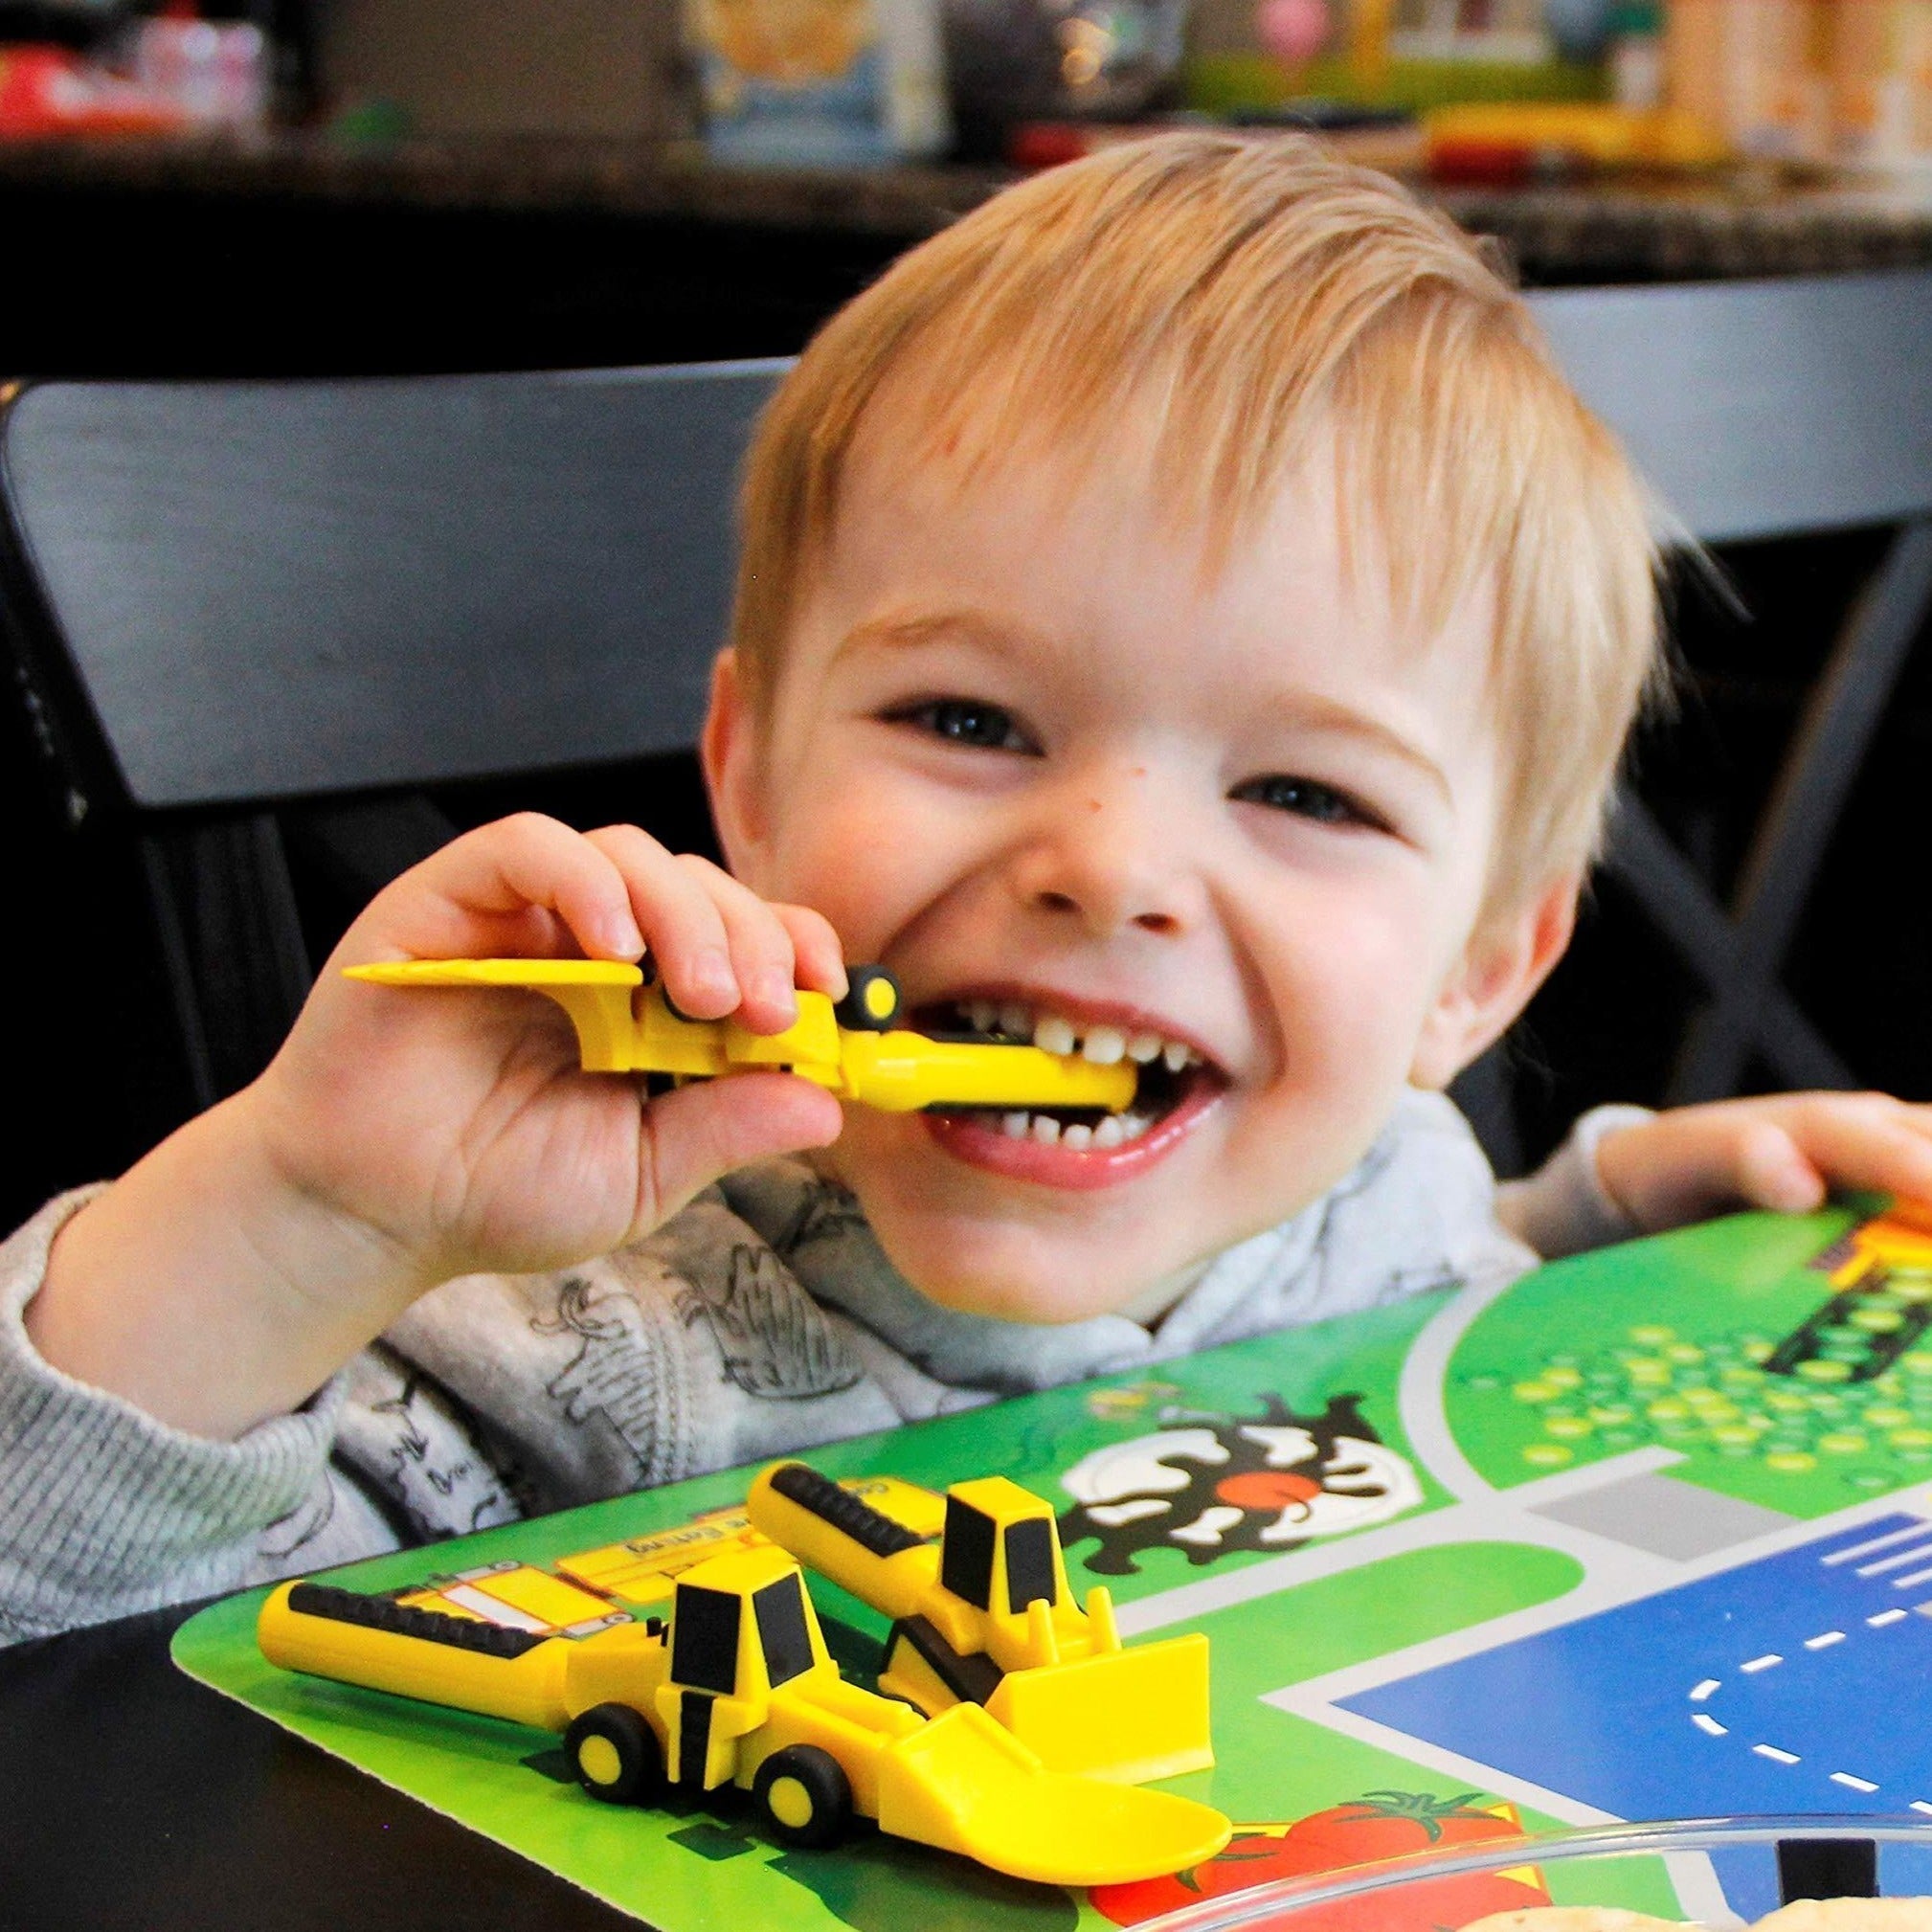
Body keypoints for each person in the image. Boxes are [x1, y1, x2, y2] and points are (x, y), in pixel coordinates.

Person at [7, 134, 1930, 1645]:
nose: (1103, 865)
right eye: (969, 717)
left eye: (1300, 788)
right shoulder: (539, 1336)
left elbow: (1346, 1330)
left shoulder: (1376, 1194)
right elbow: (57, 1628)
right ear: (747, 773)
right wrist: (291, 1218)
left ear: (1476, 977)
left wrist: (1590, 1240)